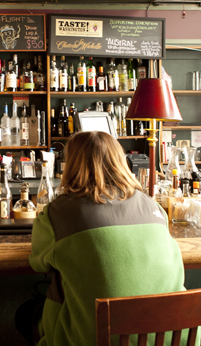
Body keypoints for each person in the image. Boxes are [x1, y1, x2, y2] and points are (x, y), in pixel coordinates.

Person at [29, 131, 186, 345]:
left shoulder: (58, 212)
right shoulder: (153, 206)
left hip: (96, 340)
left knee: (27, 315)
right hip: (173, 339)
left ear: (71, 164)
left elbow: (38, 263)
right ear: (120, 161)